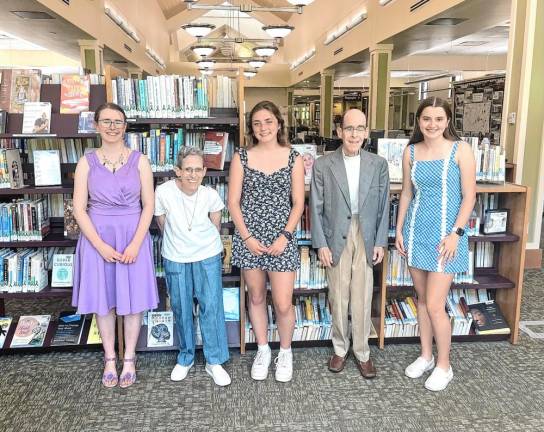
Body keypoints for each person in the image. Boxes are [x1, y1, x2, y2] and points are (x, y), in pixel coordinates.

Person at [72, 102, 159, 388]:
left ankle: (130, 357)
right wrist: (99, 245)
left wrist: (135, 244)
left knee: (133, 302)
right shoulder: (86, 162)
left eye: (117, 121)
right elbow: (79, 209)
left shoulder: (140, 161)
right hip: (98, 239)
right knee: (103, 300)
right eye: (106, 121)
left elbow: (148, 206)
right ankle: (110, 356)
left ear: (125, 126)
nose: (112, 126)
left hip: (132, 237)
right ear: (96, 125)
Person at [395, 96, 476, 392]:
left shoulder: (460, 150)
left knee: (434, 304)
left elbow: (470, 196)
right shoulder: (411, 152)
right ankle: (426, 356)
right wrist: (400, 229)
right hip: (417, 231)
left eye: (439, 119)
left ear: (447, 121)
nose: (432, 124)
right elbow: (406, 193)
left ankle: (445, 365)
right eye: (427, 119)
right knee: (421, 301)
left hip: (446, 238)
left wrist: (457, 233)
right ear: (418, 121)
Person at [228, 100, 305, 382]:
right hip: (250, 238)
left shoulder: (294, 157)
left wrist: (285, 236)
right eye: (257, 123)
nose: (263, 128)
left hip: (282, 238)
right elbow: (233, 202)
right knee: (257, 296)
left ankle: (285, 352)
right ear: (251, 127)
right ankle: (263, 349)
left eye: (269, 122)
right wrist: (247, 237)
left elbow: (298, 203)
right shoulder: (241, 157)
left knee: (283, 303)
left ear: (279, 123)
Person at [310, 108, 389, 379]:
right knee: (338, 293)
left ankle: (363, 351)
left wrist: (380, 241)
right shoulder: (323, 164)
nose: (354, 134)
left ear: (367, 132)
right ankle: (340, 349)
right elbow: (315, 207)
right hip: (336, 234)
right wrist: (320, 243)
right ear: (339, 132)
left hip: (366, 234)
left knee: (363, 293)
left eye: (360, 128)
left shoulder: (378, 164)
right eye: (349, 128)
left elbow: (382, 207)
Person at [154, 146, 231, 387]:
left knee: (211, 305)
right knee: (181, 306)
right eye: (187, 169)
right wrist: (182, 243)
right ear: (178, 170)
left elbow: (215, 226)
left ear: (205, 171)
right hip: (176, 256)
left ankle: (214, 360)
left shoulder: (210, 195)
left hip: (207, 256)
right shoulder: (163, 192)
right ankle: (185, 357)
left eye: (198, 170)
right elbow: (162, 224)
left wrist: (199, 245)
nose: (192, 175)